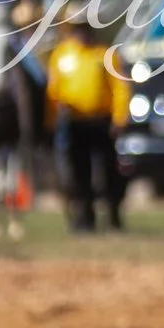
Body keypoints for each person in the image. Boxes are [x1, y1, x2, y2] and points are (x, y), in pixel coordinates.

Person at [45, 17, 128, 232]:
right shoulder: (61, 55)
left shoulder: (104, 54)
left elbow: (120, 87)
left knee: (108, 171)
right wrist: (51, 120)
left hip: (102, 122)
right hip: (73, 124)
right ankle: (84, 220)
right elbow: (53, 91)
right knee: (78, 173)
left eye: (85, 28)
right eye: (77, 28)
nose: (81, 33)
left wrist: (120, 117)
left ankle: (113, 217)